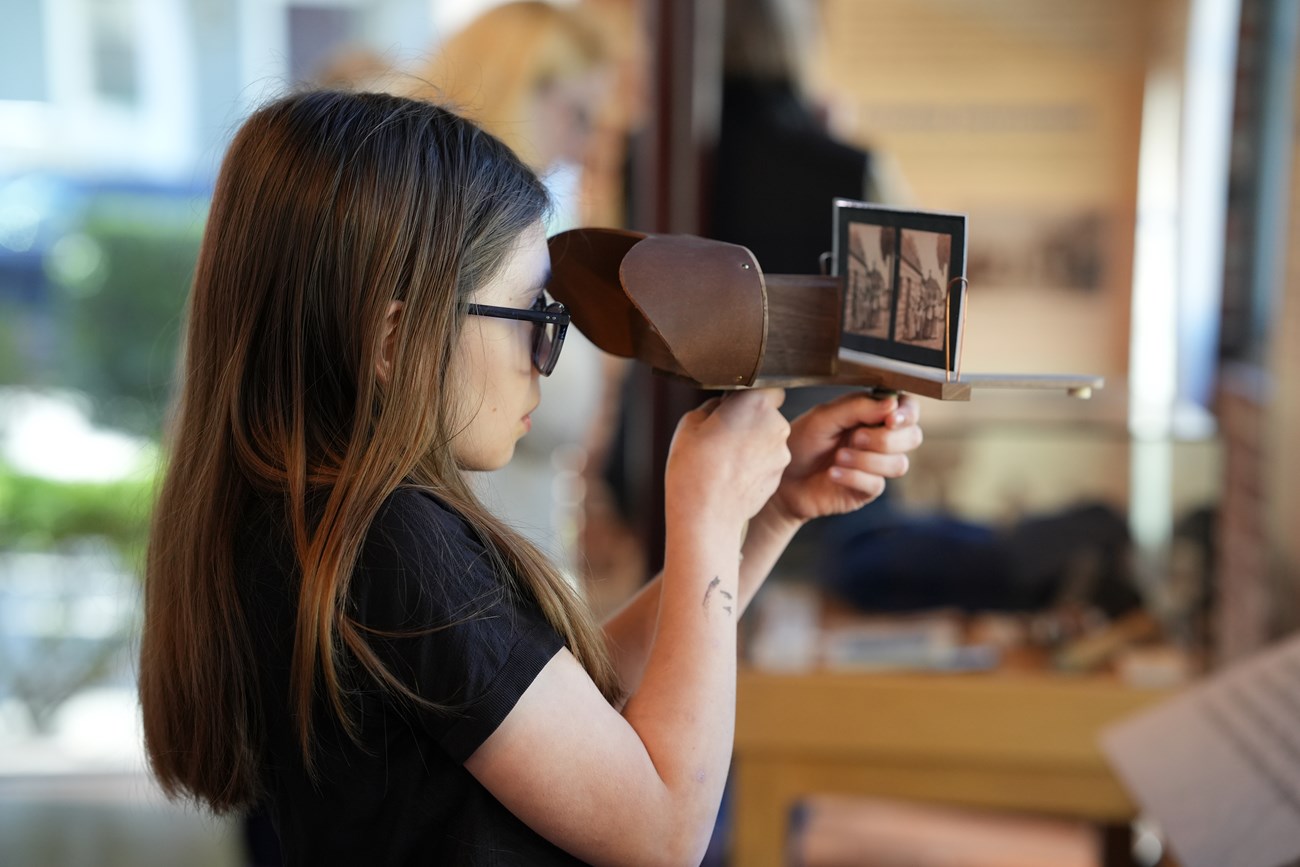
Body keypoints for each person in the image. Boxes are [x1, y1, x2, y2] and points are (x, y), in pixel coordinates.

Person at [137, 89, 922, 865]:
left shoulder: (324, 519)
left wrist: (769, 512)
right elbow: (664, 833)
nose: (547, 359)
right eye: (534, 319)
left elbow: (571, 705)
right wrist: (708, 514)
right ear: (394, 337)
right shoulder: (391, 543)